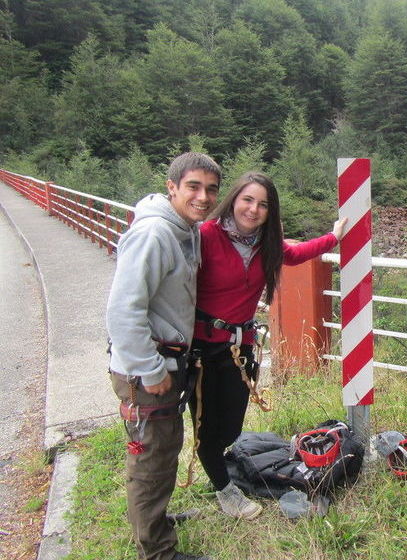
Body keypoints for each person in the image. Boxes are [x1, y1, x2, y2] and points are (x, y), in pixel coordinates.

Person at [191, 171, 346, 519]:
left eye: (263, 204)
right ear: (233, 200)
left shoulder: (267, 244)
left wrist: (333, 238)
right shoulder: (205, 236)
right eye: (247, 200)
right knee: (206, 426)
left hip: (240, 348)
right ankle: (224, 489)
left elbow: (297, 253)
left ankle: (219, 467)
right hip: (201, 349)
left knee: (231, 426)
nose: (253, 209)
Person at [107, 152, 221, 560]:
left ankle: (154, 522)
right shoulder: (154, 234)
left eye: (211, 189)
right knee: (151, 459)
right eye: (193, 187)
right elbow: (123, 311)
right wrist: (150, 369)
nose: (203, 197)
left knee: (164, 449)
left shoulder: (186, 229)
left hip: (166, 362)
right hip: (148, 370)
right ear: (172, 187)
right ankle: (157, 551)